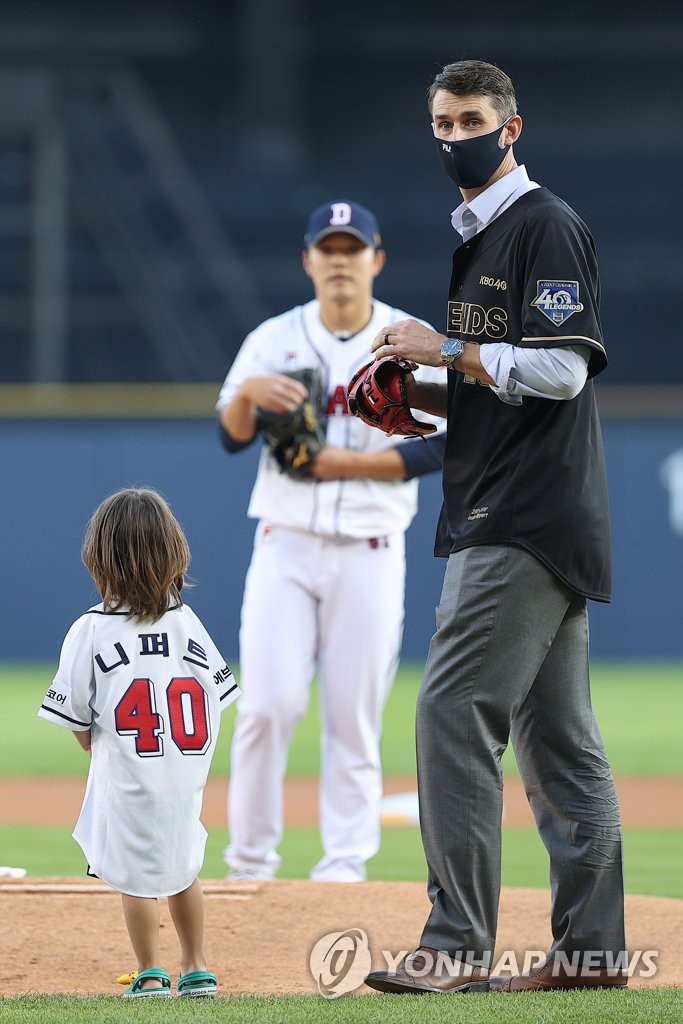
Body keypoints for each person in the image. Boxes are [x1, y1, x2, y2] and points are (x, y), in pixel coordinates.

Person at [362, 60, 627, 993]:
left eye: (469, 118)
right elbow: (499, 380)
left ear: (511, 128)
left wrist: (448, 349)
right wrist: (424, 388)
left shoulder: (541, 224)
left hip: (520, 510)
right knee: (556, 738)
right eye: (439, 120)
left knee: (449, 710)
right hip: (525, 502)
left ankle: (454, 947)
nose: (452, 136)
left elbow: (562, 372)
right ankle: (592, 955)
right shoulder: (480, 232)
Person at [216, 200, 446, 883]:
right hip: (285, 542)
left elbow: (448, 445)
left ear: (375, 260)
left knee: (353, 712)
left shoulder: (409, 337)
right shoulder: (271, 339)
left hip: (370, 547)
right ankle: (249, 861)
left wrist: (348, 465)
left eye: (353, 248)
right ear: (308, 261)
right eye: (328, 248)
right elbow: (229, 436)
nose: (340, 260)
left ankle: (344, 864)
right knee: (265, 705)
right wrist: (246, 393)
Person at [37, 488, 239, 999]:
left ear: (99, 558)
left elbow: (76, 716)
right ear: (174, 552)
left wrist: (100, 750)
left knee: (135, 878)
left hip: (129, 774)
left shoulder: (91, 629)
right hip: (182, 773)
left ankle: (149, 970)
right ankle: (196, 968)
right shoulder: (187, 622)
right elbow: (217, 695)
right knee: (183, 868)